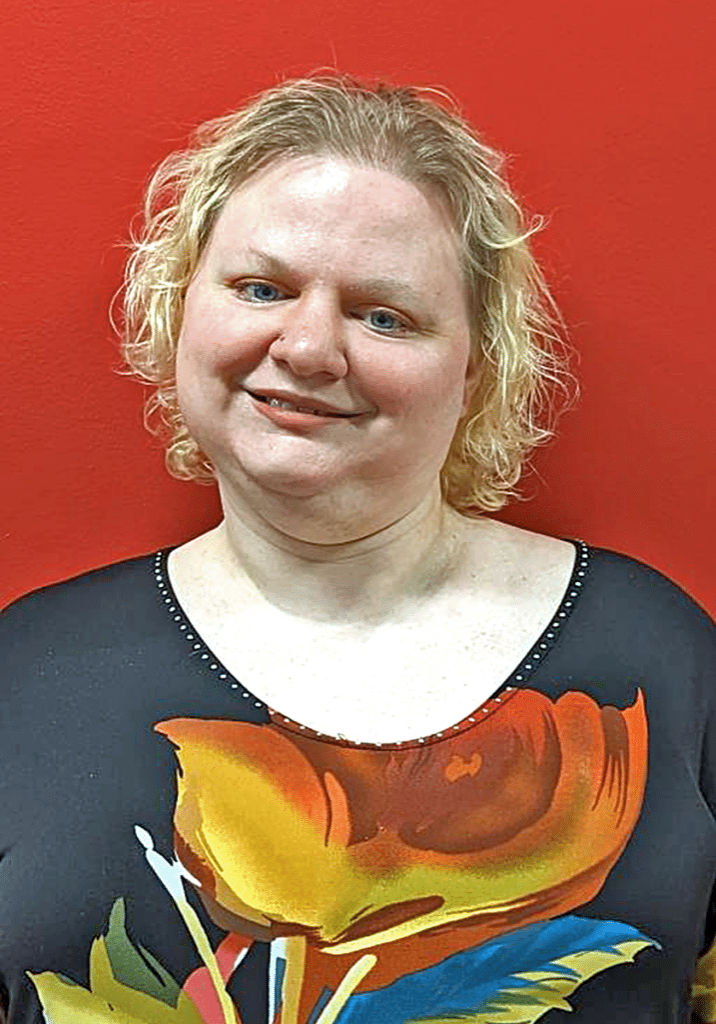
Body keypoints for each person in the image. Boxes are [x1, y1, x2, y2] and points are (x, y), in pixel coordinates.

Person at [1, 76, 714, 1024]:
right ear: (179, 311)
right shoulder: (27, 671)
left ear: (476, 367)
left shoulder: (659, 655)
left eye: (384, 315)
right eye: (262, 288)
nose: (307, 347)